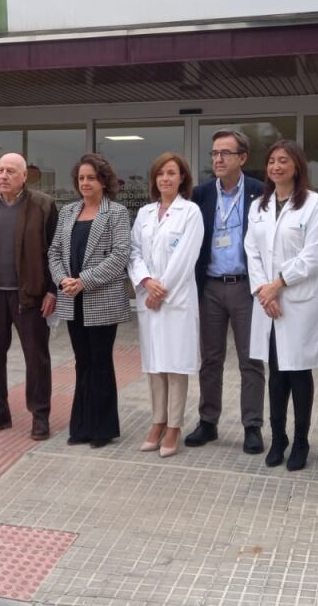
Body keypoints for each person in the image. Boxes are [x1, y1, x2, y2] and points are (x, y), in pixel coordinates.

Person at [244, 141, 318, 471]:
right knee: (276, 374)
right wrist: (262, 291)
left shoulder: (314, 204)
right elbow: (251, 251)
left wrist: (278, 284)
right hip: (268, 302)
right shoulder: (259, 205)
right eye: (271, 161)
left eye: (283, 160)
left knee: (298, 373)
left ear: (297, 166)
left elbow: (315, 256)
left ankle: (301, 441)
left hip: (297, 301)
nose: (276, 166)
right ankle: (278, 438)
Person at [185, 130, 266, 454]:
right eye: (214, 153)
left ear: (242, 158)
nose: (218, 159)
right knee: (210, 359)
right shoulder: (200, 194)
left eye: (225, 153)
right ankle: (208, 421)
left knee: (251, 359)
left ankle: (252, 425)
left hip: (246, 286)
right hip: (210, 287)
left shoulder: (260, 192)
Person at [0, 153, 59, 440]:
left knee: (36, 358)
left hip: (30, 297)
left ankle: (40, 415)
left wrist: (52, 289)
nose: (3, 176)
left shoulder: (43, 205)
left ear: (24, 176)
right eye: (0, 170)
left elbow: (56, 250)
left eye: (10, 171)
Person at [48, 154, 133, 448]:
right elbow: (54, 252)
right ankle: (81, 426)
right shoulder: (68, 211)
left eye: (91, 178)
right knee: (82, 362)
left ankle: (103, 429)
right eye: (81, 178)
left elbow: (120, 255)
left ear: (104, 181)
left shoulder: (117, 213)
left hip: (102, 299)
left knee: (100, 362)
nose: (85, 183)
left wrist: (84, 280)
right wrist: (63, 280)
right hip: (72, 299)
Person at [129, 153, 204, 458]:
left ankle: (174, 426)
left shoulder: (191, 212)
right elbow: (134, 252)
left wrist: (161, 290)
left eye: (171, 173)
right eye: (161, 173)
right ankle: (157, 421)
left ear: (182, 177)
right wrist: (146, 281)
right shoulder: (145, 213)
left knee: (175, 364)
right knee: (154, 365)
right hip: (149, 297)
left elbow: (186, 257)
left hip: (175, 299)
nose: (165, 179)